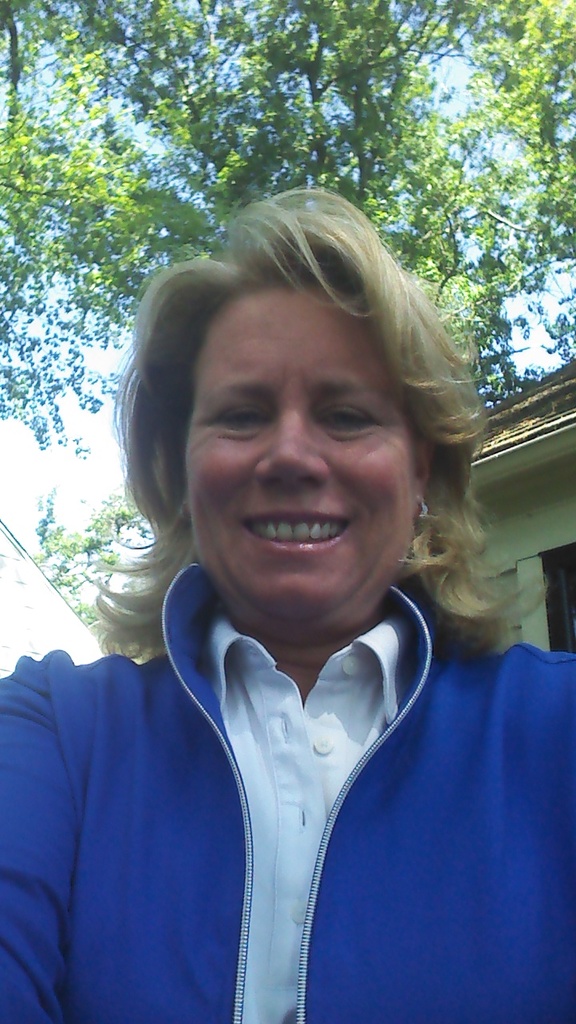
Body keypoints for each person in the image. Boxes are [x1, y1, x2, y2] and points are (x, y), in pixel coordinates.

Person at [1, 189, 576, 1024]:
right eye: (242, 415)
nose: (292, 455)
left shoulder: (558, 729)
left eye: (346, 416)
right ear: (180, 467)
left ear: (421, 468)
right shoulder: (54, 734)